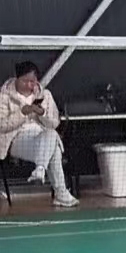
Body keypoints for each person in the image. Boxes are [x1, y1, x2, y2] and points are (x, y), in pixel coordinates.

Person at [0, 62, 78, 208]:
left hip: (41, 136)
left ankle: (40, 169)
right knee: (54, 147)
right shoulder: (4, 96)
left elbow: (54, 123)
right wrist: (23, 113)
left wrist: (42, 113)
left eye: (33, 81)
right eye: (25, 81)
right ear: (16, 78)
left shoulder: (45, 95)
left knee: (51, 134)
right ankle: (61, 193)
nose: (29, 85)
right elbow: (2, 125)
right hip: (15, 139)